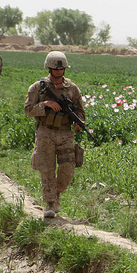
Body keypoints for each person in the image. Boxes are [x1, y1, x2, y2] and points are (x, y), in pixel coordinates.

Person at [24, 51, 86, 219]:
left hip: (65, 133)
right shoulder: (38, 87)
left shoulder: (72, 89)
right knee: (47, 168)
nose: (58, 71)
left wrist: (79, 122)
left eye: (61, 69)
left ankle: (57, 193)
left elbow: (80, 111)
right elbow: (28, 110)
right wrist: (45, 104)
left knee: (68, 168)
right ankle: (50, 202)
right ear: (49, 68)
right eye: (55, 69)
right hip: (46, 132)